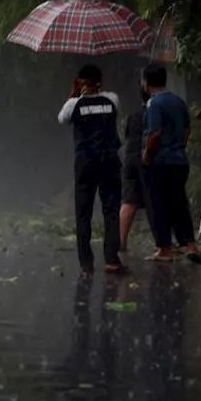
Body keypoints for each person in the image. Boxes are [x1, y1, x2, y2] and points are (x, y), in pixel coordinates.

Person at [57, 64, 127, 274]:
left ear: (79, 83)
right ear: (100, 82)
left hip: (85, 162)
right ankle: (112, 259)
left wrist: (73, 94)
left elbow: (62, 119)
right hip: (109, 161)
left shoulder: (72, 105)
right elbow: (115, 110)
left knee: (83, 212)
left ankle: (86, 263)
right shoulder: (112, 99)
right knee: (111, 210)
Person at [141, 64, 201, 262]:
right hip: (179, 160)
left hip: (160, 161)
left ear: (146, 83)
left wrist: (147, 156)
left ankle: (165, 248)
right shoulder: (178, 101)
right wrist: (179, 147)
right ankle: (191, 245)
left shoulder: (153, 104)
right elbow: (186, 131)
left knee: (158, 204)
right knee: (179, 203)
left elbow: (154, 133)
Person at [119, 86, 149, 252]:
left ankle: (121, 241)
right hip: (146, 158)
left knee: (129, 201)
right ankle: (165, 245)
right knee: (155, 200)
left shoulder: (134, 114)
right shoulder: (155, 113)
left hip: (130, 158)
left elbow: (127, 135)